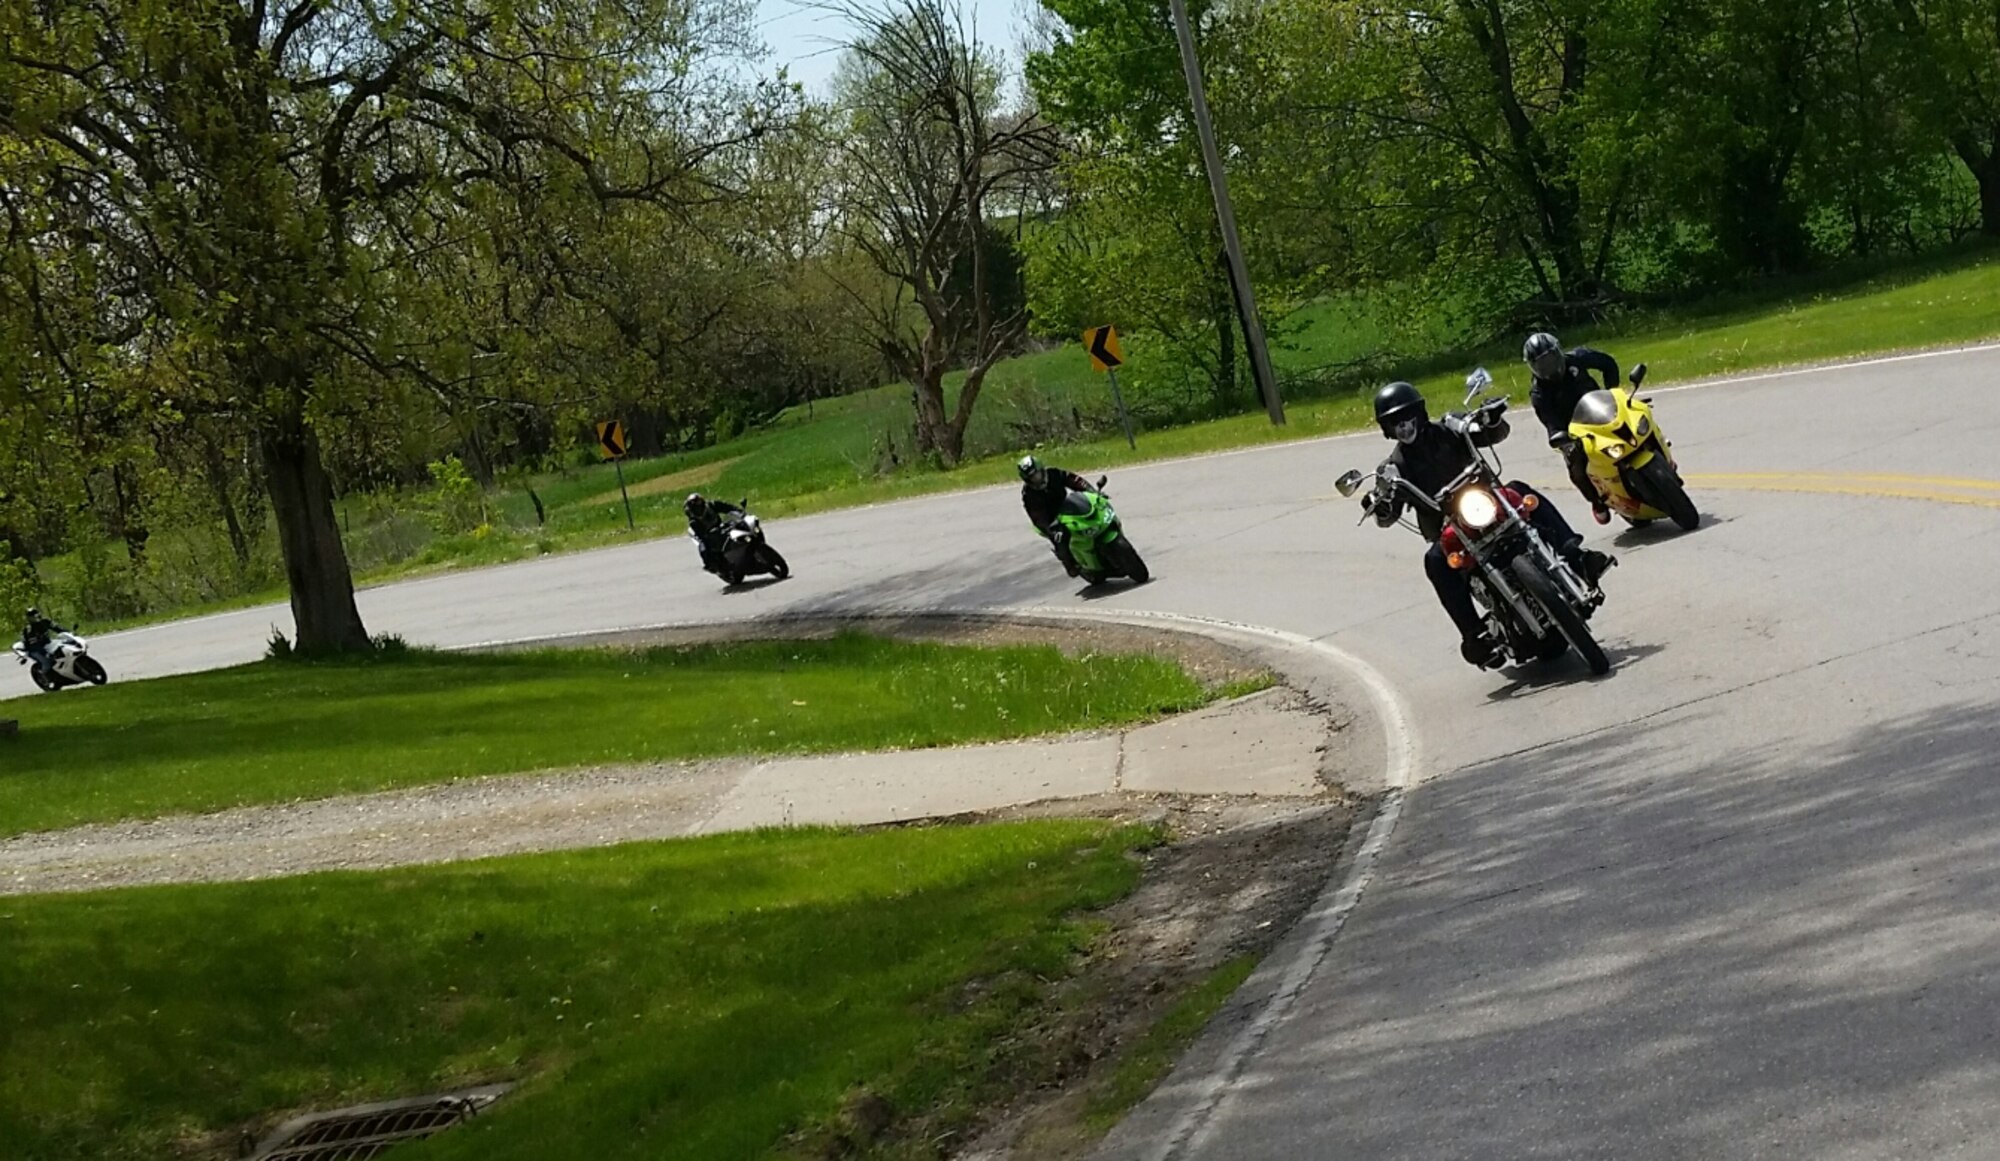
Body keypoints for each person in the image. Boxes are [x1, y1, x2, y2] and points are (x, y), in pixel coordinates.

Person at [1369, 382, 1612, 667]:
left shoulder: (1451, 426)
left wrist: (1491, 419)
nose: (1404, 426)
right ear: (1386, 428)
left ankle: (1577, 557)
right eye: (1394, 422)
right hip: (1450, 527)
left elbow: (1491, 433)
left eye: (1408, 416)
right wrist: (1381, 505)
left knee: (1521, 490)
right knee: (1435, 560)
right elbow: (1386, 515)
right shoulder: (1392, 468)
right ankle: (1475, 634)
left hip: (1491, 504)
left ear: (1420, 412)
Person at [1523, 331, 1622, 523]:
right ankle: (1597, 502)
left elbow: (1607, 363)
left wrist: (1613, 392)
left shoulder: (1578, 358)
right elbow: (1550, 423)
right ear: (1533, 367)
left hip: (1602, 411)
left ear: (1558, 351)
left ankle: (1661, 454)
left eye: (1550, 359)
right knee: (1576, 467)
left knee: (1637, 420)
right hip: (1575, 431)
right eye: (1541, 364)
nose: (1548, 367)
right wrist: (1563, 440)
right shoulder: (1539, 393)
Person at [1017, 455, 1097, 576]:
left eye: (1037, 474)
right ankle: (1071, 565)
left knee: (1093, 512)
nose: (1036, 479)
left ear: (1041, 469)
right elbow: (1036, 516)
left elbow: (1074, 480)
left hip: (1068, 505)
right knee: (1060, 539)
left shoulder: (1054, 473)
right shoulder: (1028, 494)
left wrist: (1091, 492)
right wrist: (1050, 530)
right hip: (1051, 519)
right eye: (1032, 478)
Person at [683, 493, 744, 573]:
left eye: (699, 504)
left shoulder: (711, 505)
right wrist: (708, 535)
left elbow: (727, 507)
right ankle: (710, 565)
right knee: (704, 547)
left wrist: (739, 511)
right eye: (696, 506)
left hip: (720, 526)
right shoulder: (693, 520)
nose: (698, 508)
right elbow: (701, 534)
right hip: (707, 533)